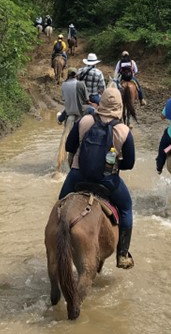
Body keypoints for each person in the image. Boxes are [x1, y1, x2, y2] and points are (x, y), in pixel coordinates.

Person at [60, 86, 136, 269]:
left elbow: (70, 146)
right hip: (107, 181)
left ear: (100, 103)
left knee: (61, 204)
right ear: (120, 106)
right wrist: (113, 164)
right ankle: (122, 254)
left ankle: (56, 240)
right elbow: (129, 164)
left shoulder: (85, 120)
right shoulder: (124, 130)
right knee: (126, 208)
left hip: (78, 176)